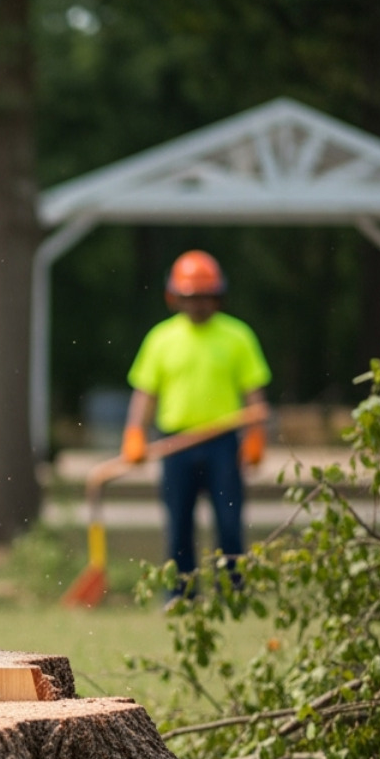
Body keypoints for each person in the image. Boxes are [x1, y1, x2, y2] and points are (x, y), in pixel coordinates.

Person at [122, 250, 270, 599]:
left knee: (230, 525)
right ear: (175, 297)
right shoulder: (161, 339)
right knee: (178, 527)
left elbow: (254, 395)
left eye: (204, 296)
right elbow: (145, 394)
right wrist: (134, 433)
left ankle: (231, 594)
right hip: (175, 444)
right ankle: (180, 595)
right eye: (190, 297)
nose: (198, 304)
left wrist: (255, 438)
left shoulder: (238, 336)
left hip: (223, 444)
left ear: (217, 296)